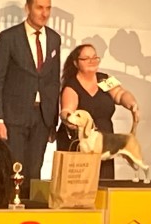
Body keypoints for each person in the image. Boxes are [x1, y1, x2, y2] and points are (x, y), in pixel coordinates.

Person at [0, 0, 61, 198]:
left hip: (42, 117)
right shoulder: (10, 37)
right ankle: (12, 209)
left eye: (48, 8)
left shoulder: (54, 39)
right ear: (27, 8)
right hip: (14, 116)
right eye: (39, 8)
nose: (44, 13)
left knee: (35, 171)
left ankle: (31, 211)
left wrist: (52, 121)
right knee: (15, 169)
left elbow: (53, 81)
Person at [57, 44, 139, 179]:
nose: (92, 61)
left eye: (95, 57)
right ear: (76, 63)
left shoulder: (104, 79)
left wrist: (132, 104)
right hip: (80, 143)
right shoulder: (71, 85)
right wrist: (67, 119)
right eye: (86, 58)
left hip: (104, 141)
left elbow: (120, 94)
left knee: (104, 180)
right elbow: (67, 110)